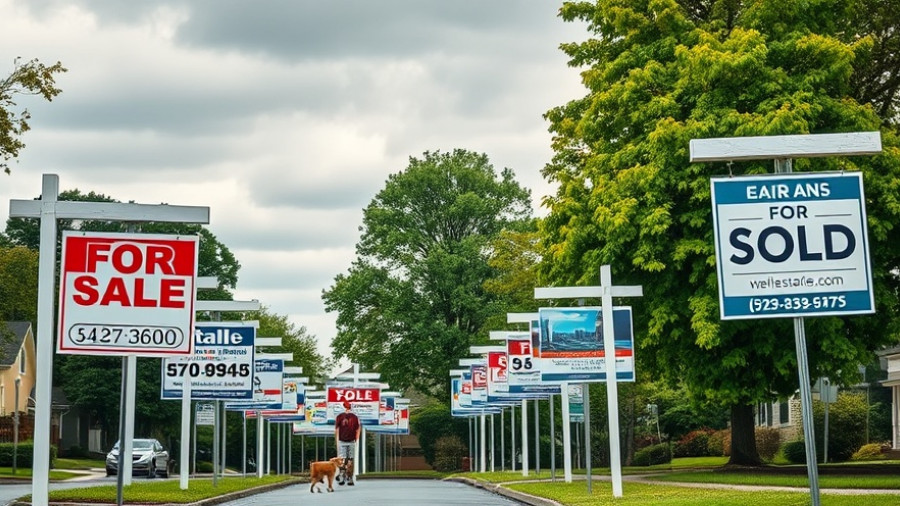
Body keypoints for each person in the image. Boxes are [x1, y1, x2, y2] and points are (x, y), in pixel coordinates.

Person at [334, 400, 360, 485]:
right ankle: (350, 478)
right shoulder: (355, 417)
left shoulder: (339, 416)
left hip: (342, 441)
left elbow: (337, 430)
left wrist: (337, 441)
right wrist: (356, 439)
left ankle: (342, 476)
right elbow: (357, 429)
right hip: (351, 441)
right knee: (350, 460)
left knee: (342, 460)